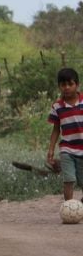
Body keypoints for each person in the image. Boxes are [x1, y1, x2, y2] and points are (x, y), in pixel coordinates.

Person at [46, 67, 83, 201]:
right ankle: (68, 206)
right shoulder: (57, 106)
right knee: (68, 180)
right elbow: (56, 129)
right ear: (59, 86)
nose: (66, 87)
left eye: (70, 84)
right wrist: (51, 149)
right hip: (67, 149)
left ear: (77, 85)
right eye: (63, 85)